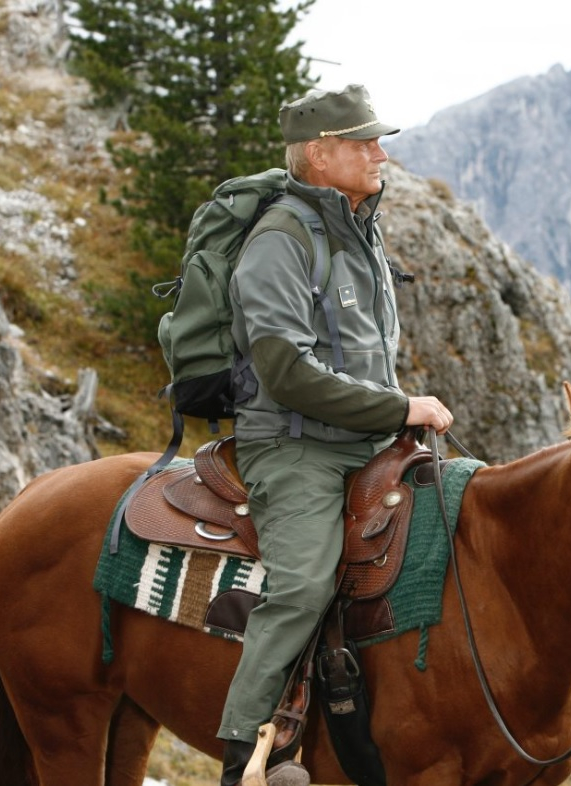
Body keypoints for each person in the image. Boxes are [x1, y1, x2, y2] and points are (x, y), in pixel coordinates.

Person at [217, 84, 454, 786]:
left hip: (366, 444)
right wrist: (399, 409)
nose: (381, 153)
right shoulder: (278, 242)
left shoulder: (362, 235)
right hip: (294, 447)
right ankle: (245, 758)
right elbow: (287, 370)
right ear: (321, 155)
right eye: (364, 142)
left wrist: (392, 420)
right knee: (303, 584)